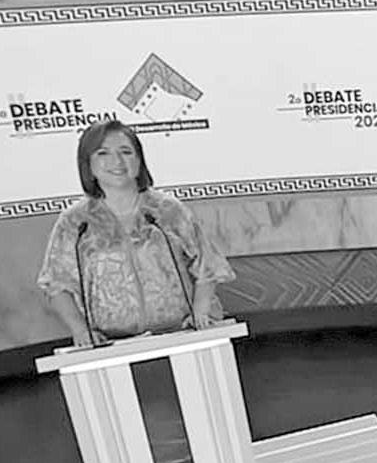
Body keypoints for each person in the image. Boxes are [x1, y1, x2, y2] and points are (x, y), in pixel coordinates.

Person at [37, 119, 235, 348]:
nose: (117, 161)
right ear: (88, 164)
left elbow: (208, 265)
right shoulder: (75, 222)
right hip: (111, 346)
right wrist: (81, 331)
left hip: (182, 334)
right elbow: (56, 285)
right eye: (103, 153)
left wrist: (200, 312)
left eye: (126, 152)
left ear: (139, 160)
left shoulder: (167, 210)